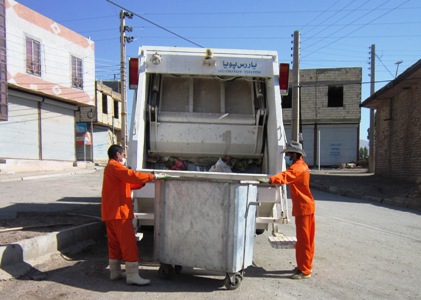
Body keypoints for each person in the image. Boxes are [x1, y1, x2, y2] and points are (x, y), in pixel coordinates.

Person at [102, 144, 164, 286]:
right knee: (128, 243)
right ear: (117, 154)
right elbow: (131, 176)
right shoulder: (115, 166)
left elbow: (128, 184)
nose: (124, 157)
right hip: (119, 213)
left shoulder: (110, 169)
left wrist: (143, 182)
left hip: (111, 213)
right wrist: (151, 176)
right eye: (123, 154)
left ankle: (115, 272)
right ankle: (132, 275)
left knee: (114, 244)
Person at [259, 141, 315, 280]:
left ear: (295, 154)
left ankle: (305, 270)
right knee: (307, 239)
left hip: (304, 208)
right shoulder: (301, 166)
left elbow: (285, 176)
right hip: (306, 207)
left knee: (303, 240)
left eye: (289, 153)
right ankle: (304, 265)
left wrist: (270, 180)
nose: (287, 156)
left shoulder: (298, 168)